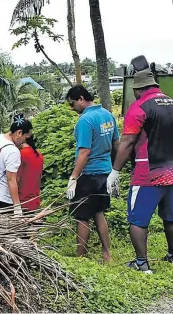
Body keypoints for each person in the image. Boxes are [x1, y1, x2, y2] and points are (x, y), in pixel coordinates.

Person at [108, 67, 173, 274]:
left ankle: (142, 263)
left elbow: (127, 142)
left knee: (138, 218)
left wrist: (115, 170)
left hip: (148, 171)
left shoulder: (140, 107)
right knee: (172, 215)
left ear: (138, 89)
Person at [65, 85, 118, 262]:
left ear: (81, 99)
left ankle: (80, 258)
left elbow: (84, 152)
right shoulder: (107, 115)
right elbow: (116, 144)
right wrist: (115, 170)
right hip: (105, 172)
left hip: (88, 174)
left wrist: (73, 177)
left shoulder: (85, 121)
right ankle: (107, 254)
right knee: (99, 212)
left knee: (82, 216)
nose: (72, 108)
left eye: (72, 104)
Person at [0, 114, 33, 215]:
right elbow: (11, 180)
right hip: (2, 201)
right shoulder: (13, 151)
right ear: (19, 133)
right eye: (26, 138)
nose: (25, 142)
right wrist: (17, 207)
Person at [17, 136, 44, 211]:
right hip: (35, 200)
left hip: (21, 201)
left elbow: (16, 180)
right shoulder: (39, 154)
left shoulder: (20, 154)